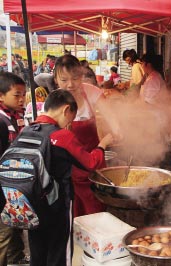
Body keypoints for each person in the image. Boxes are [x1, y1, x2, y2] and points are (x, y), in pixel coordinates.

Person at [28, 89, 114, 266]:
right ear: (66, 110)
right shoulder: (62, 136)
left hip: (31, 204)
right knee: (60, 251)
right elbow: (90, 163)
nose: (70, 124)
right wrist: (103, 144)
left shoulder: (28, 130)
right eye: (70, 119)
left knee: (38, 250)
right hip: (56, 205)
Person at [53, 54, 117, 217]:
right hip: (67, 167)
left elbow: (112, 117)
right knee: (72, 210)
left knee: (95, 207)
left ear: (81, 76)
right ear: (56, 79)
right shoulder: (54, 101)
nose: (70, 85)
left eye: (75, 78)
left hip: (93, 162)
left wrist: (117, 130)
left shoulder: (92, 92)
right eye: (64, 79)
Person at [0, 72, 28, 265]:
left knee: (13, 229)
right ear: (1, 96)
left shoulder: (15, 116)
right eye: (16, 95)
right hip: (3, 190)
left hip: (12, 187)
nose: (21, 99)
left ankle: (16, 259)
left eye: (23, 94)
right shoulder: (1, 121)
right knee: (4, 235)